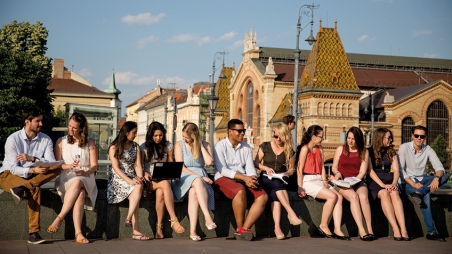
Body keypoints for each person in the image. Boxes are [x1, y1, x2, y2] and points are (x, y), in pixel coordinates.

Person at [0, 107, 62, 244]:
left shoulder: (45, 139)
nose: (41, 124)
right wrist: (33, 170)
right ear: (27, 121)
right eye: (37, 121)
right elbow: (13, 168)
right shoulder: (13, 139)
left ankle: (21, 188)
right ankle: (33, 234)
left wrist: (33, 159)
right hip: (9, 175)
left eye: (41, 121)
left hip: (33, 176)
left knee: (57, 167)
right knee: (35, 189)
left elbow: (51, 162)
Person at [213, 119, 268, 241]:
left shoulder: (246, 147)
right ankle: (239, 228)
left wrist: (252, 178)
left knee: (263, 196)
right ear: (230, 131)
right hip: (224, 178)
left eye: (243, 131)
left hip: (244, 178)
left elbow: (250, 168)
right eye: (239, 131)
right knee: (240, 190)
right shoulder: (219, 146)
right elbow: (223, 170)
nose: (242, 133)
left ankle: (243, 230)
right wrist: (244, 178)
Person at [48, 112, 98, 244]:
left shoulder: (90, 142)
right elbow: (57, 166)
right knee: (80, 193)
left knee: (78, 181)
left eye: (74, 127)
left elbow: (94, 166)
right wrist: (69, 165)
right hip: (66, 177)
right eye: (69, 126)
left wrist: (86, 172)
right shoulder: (61, 141)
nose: (71, 129)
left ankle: (59, 218)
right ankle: (78, 233)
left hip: (86, 177)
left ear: (82, 128)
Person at [296, 125, 349, 240]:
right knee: (332, 196)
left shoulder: (320, 148)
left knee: (339, 197)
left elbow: (322, 167)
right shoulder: (305, 149)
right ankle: (323, 225)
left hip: (319, 179)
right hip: (307, 180)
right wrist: (299, 187)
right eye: (321, 137)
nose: (322, 139)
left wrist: (324, 180)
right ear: (313, 137)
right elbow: (299, 169)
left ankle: (337, 229)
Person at [398, 125, 449, 242]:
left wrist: (436, 178)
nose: (419, 138)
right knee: (426, 195)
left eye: (422, 136)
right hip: (407, 182)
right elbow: (401, 170)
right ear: (412, 136)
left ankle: (419, 192)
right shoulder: (404, 148)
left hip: (423, 181)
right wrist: (413, 184)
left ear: (425, 137)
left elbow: (440, 167)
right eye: (416, 135)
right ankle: (431, 232)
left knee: (444, 176)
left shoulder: (428, 149)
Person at [254, 123, 301, 240]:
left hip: (280, 178)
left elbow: (291, 170)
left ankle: (277, 227)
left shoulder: (289, 150)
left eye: (281, 137)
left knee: (276, 192)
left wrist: (283, 174)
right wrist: (266, 168)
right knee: (277, 184)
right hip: (265, 177)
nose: (278, 139)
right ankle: (291, 212)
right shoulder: (265, 146)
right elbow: (256, 163)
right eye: (276, 136)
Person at [171, 122, 216, 241]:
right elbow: (181, 167)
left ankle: (193, 231)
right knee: (197, 181)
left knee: (193, 193)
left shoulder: (204, 144)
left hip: (199, 178)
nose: (184, 139)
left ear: (194, 137)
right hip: (184, 176)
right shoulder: (179, 144)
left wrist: (200, 145)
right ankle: (207, 217)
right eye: (183, 137)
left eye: (187, 137)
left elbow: (209, 162)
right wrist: (201, 177)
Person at [140, 121, 185, 238]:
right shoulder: (143, 148)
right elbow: (139, 166)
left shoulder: (168, 146)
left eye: (160, 135)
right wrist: (144, 173)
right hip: (149, 181)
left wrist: (173, 172)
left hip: (163, 178)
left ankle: (159, 229)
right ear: (150, 135)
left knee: (160, 193)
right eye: (155, 136)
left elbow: (171, 163)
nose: (158, 138)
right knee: (164, 184)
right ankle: (174, 219)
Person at [107, 121, 149, 241]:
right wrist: (130, 181)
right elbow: (116, 168)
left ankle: (129, 219)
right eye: (133, 132)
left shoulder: (135, 146)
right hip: (118, 178)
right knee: (137, 190)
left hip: (132, 176)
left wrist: (139, 177)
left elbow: (138, 165)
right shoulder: (114, 146)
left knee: (139, 187)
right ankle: (135, 230)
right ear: (126, 133)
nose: (135, 135)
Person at [331, 126, 375, 241]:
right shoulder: (341, 149)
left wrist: (354, 181)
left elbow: (362, 172)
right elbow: (334, 167)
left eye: (353, 139)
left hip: (357, 181)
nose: (350, 141)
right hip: (342, 182)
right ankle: (362, 230)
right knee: (354, 197)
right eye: (348, 138)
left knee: (364, 197)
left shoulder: (364, 152)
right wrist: (337, 173)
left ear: (359, 139)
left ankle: (370, 229)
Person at [367, 128, 409, 241]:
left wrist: (394, 183)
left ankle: (403, 229)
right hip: (376, 182)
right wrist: (382, 185)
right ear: (380, 138)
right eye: (388, 137)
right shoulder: (369, 152)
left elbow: (396, 170)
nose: (391, 140)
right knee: (385, 194)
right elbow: (370, 171)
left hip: (390, 181)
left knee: (394, 193)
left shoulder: (391, 151)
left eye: (391, 137)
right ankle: (395, 228)